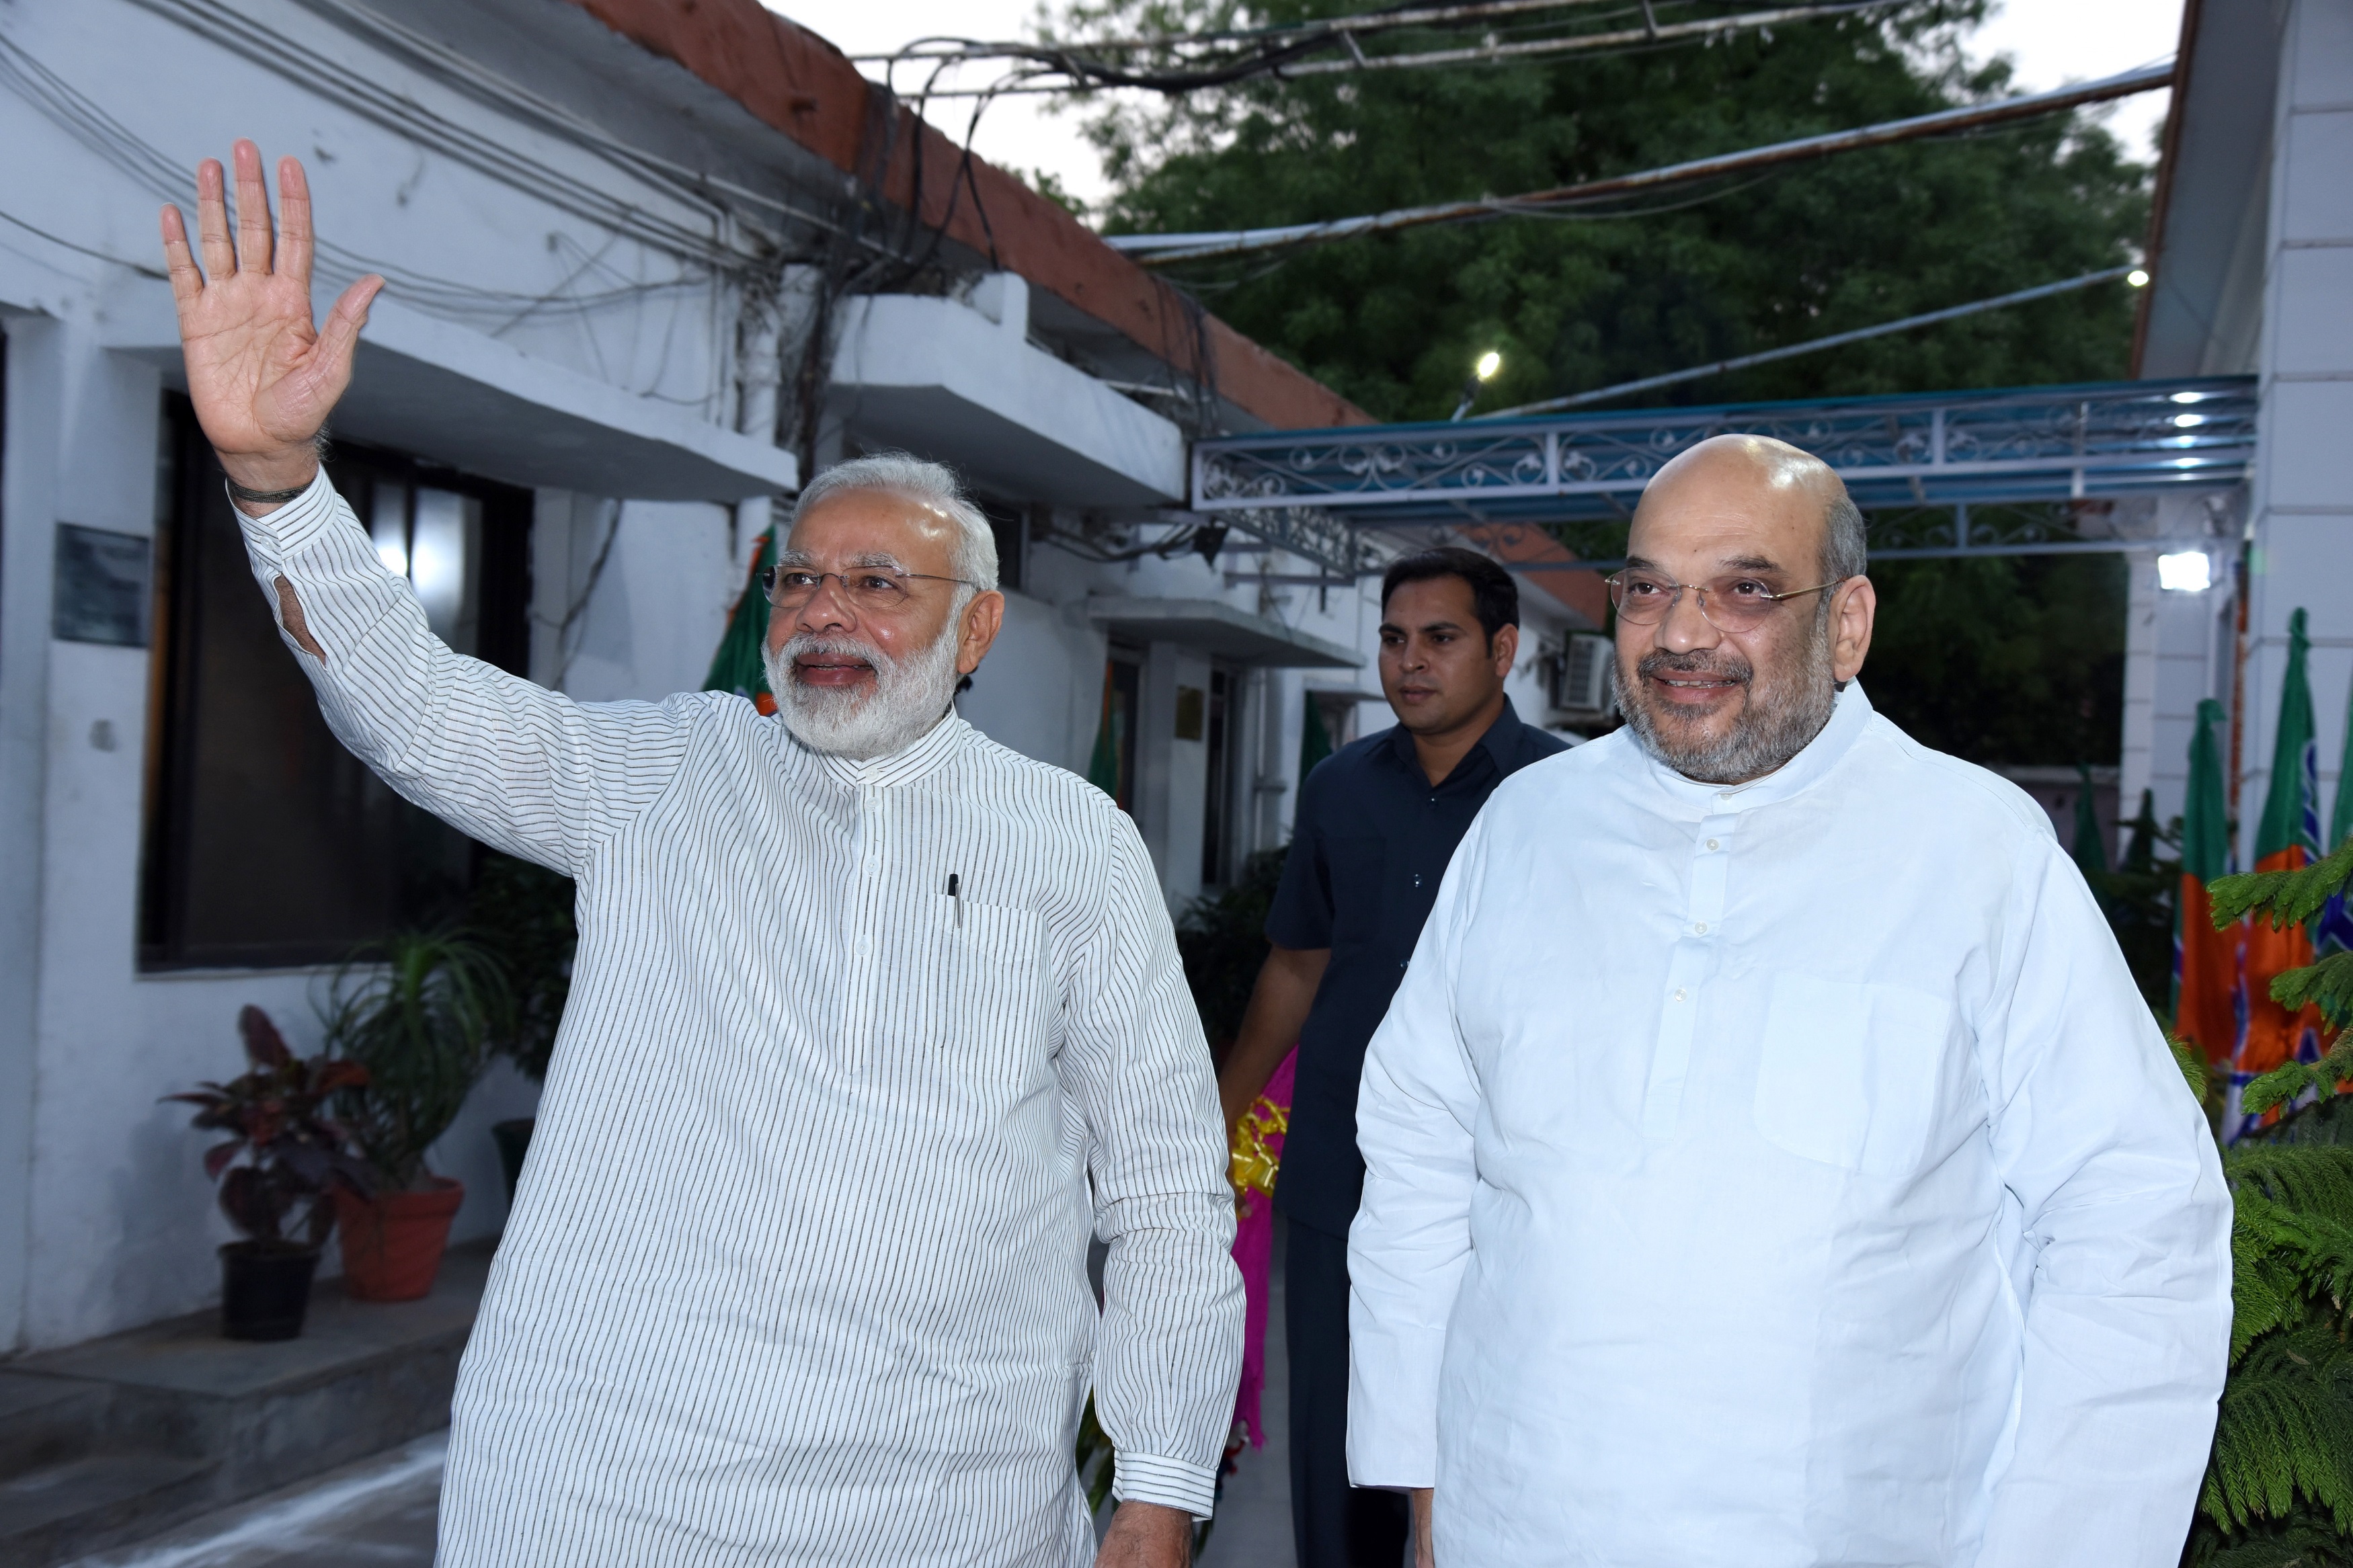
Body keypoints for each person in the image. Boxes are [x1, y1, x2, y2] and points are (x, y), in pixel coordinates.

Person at [161, 142, 1240, 1568]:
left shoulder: (1072, 843)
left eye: (876, 582)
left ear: (974, 630)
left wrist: (1158, 1492)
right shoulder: (657, 775)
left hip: (948, 1508)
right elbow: (413, 710)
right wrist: (275, 478)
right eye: (798, 575)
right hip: (608, 1487)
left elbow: (1165, 1191)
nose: (822, 610)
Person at [1347, 434, 2233, 1567]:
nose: (1679, 633)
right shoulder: (1524, 829)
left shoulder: (1976, 852)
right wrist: (1418, 1479)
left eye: (1746, 589)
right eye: (1648, 588)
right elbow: (1418, 1155)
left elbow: (2137, 1224)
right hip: (1516, 1520)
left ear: (1848, 624)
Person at [1217, 546, 1566, 1568]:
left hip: (1497, 1190)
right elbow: (1295, 965)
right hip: (1337, 1178)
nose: (1410, 662)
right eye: (1394, 638)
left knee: (1489, 1458)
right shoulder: (1338, 788)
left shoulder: (1565, 796)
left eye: (1441, 638)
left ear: (1504, 650)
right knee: (1338, 1471)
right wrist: (1210, 1121)